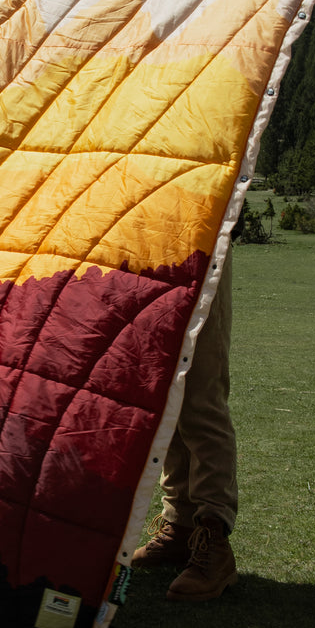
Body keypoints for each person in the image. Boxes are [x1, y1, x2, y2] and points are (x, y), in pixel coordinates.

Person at [132, 243, 238, 601]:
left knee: (199, 398)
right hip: (144, 245)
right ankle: (180, 525)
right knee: (164, 397)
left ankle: (213, 534)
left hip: (201, 243)